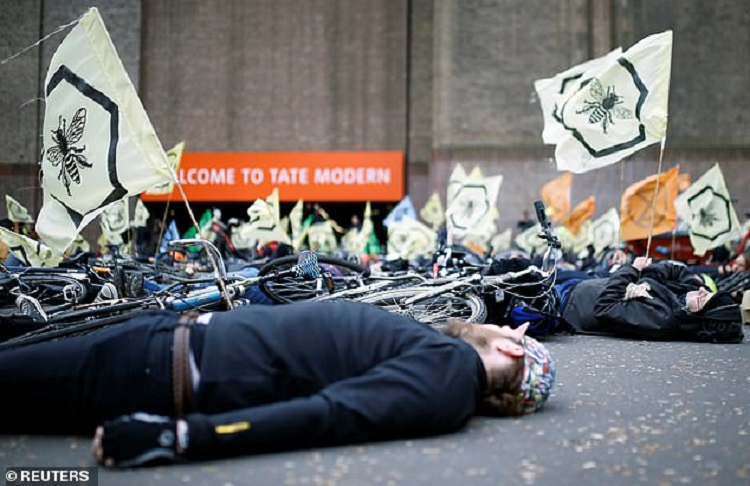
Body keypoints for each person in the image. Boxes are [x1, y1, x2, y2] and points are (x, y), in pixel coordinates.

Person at [0, 300, 555, 468]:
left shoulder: (448, 376)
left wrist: (181, 438)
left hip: (161, 370)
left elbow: (328, 415)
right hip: (166, 347)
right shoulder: (442, 365)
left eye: (507, 329)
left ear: (507, 348)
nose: (500, 325)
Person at [558, 256, 744, 343]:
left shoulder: (662, 320)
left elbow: (605, 307)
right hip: (586, 283)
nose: (701, 290)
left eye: (704, 298)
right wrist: (644, 274)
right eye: (707, 291)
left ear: (699, 318)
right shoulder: (688, 292)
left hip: (570, 302)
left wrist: (632, 270)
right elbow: (675, 269)